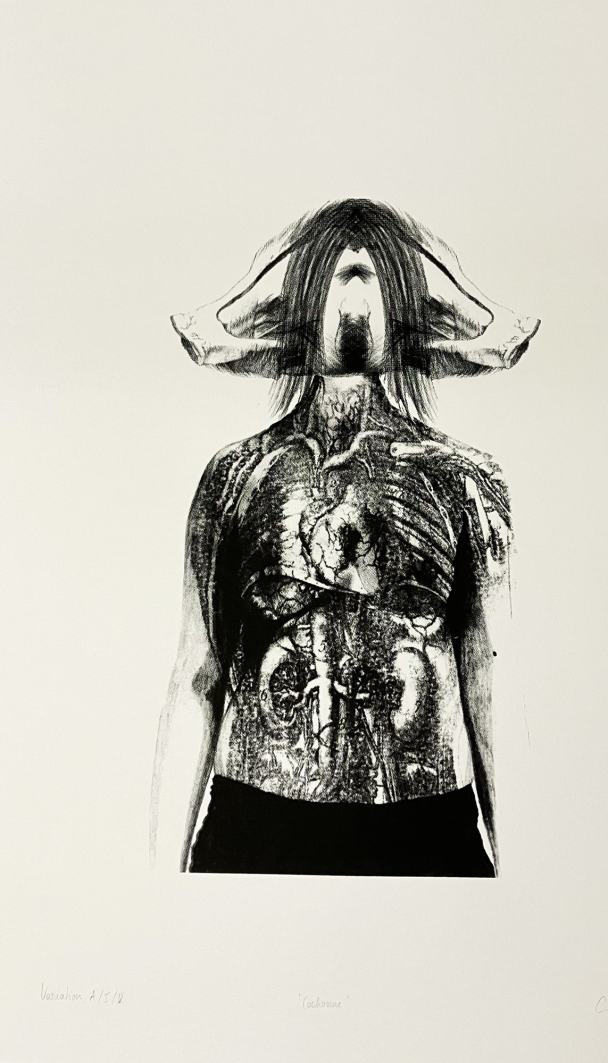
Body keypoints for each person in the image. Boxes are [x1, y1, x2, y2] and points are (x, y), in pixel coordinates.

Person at [149, 199, 539, 875]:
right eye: (331, 269)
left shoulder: (466, 480)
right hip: (259, 823)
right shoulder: (235, 475)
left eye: (376, 270)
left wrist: (523, 878)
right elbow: (196, 677)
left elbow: (490, 677)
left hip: (424, 829)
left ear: (406, 301)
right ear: (300, 300)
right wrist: (159, 882)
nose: (354, 282)